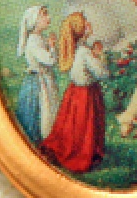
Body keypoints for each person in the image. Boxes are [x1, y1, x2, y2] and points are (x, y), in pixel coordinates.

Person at [40, 12, 108, 172]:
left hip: (73, 93)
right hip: (86, 94)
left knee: (71, 124)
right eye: (86, 22)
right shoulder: (85, 51)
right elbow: (102, 73)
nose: (89, 24)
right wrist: (101, 58)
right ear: (81, 29)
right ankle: (82, 153)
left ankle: (72, 149)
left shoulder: (75, 48)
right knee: (83, 127)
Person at [15, 5, 60, 143]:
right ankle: (41, 140)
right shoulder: (33, 41)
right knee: (41, 112)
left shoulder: (40, 38)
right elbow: (50, 60)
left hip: (45, 80)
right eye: (44, 15)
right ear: (35, 20)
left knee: (50, 111)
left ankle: (49, 138)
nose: (48, 17)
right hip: (38, 83)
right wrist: (52, 47)